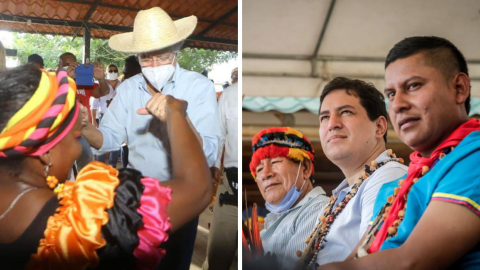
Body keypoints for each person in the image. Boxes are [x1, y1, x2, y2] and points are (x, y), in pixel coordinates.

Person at [0, 65, 212, 269]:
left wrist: (81, 125)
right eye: (75, 138)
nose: (77, 150)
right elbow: (198, 188)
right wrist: (176, 113)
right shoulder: (88, 224)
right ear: (46, 153)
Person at [321, 36, 480, 270]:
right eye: (391, 94)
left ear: (459, 89)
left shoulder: (473, 157)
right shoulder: (397, 186)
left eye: (413, 86)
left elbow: (414, 262)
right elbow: (358, 259)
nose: (397, 105)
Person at [82, 7, 220, 269]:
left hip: (181, 195)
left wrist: (179, 117)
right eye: (147, 59)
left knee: (175, 261)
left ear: (176, 51)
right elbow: (110, 138)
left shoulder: (198, 87)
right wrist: (85, 127)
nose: (155, 66)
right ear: (137, 57)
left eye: (163, 57)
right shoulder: (127, 89)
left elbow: (210, 152)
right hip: (139, 195)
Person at [295, 78, 408, 268]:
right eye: (324, 117)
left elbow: (372, 260)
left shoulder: (388, 177)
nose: (332, 124)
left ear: (379, 127)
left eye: (345, 112)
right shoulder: (342, 196)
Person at [248, 127, 330, 269]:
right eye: (259, 169)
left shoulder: (318, 210)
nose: (265, 174)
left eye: (275, 162)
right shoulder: (274, 219)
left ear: (305, 168)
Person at [203, 67, 239, 270]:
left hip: (266, 190)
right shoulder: (229, 95)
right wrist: (214, 165)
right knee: (218, 253)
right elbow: (219, 135)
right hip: (230, 186)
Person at [58, 52, 110, 172]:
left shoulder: (83, 82)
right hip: (60, 134)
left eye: (74, 65)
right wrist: (65, 79)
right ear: (59, 65)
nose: (70, 67)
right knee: (62, 172)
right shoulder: (52, 81)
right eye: (67, 65)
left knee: (85, 168)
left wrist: (101, 79)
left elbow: (104, 92)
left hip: (81, 132)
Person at [92, 64, 122, 167]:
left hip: (118, 117)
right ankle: (100, 166)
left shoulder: (122, 85)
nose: (113, 73)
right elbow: (94, 105)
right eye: (111, 71)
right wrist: (94, 120)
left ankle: (112, 167)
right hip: (103, 116)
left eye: (115, 71)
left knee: (116, 142)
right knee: (102, 141)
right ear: (106, 73)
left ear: (118, 72)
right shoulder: (99, 85)